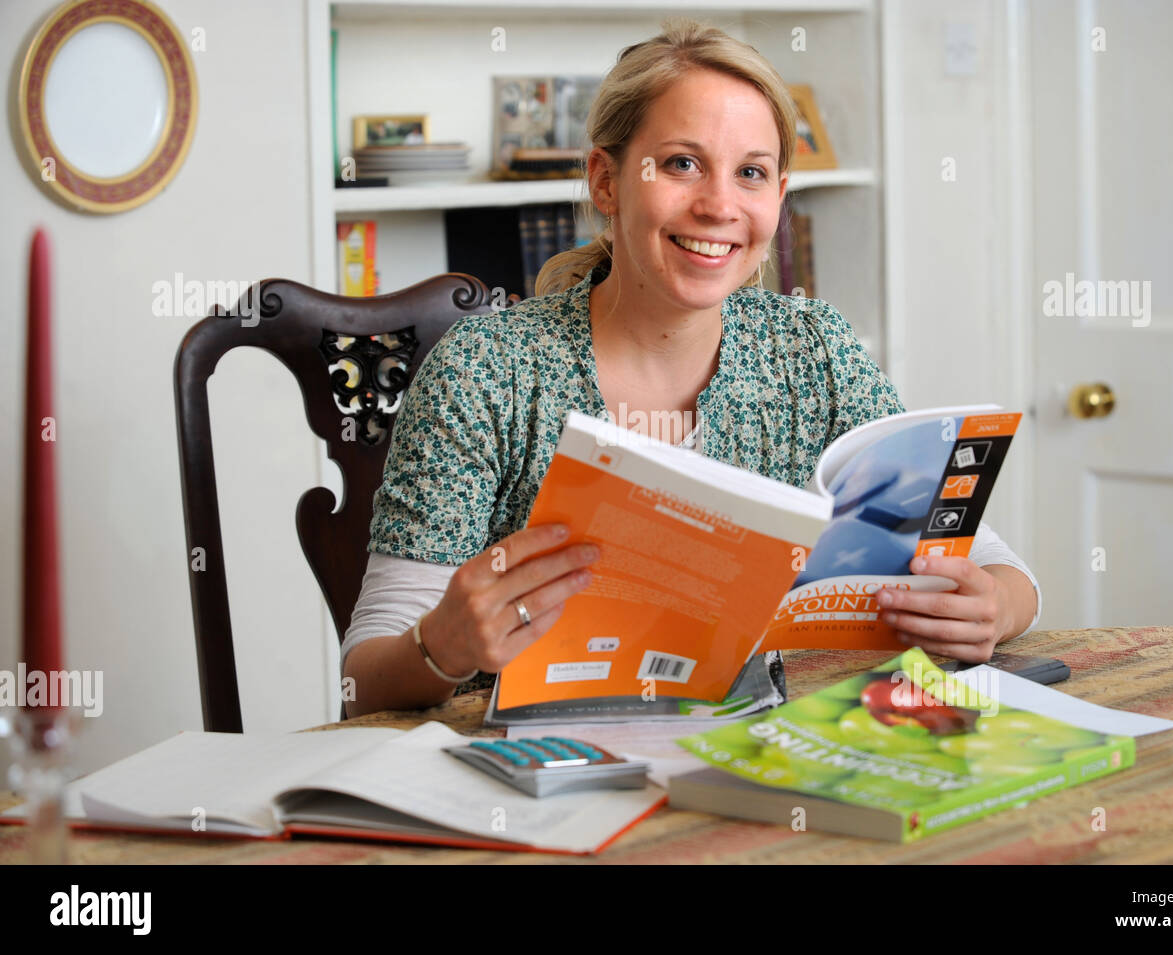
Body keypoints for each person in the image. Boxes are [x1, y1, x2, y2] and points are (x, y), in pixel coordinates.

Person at [341, 18, 1041, 719]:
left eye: (751, 173)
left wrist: (994, 606)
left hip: (754, 752)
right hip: (538, 773)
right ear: (606, 180)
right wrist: (445, 644)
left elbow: (996, 566)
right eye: (681, 163)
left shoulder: (816, 351)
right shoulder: (485, 372)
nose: (719, 206)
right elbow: (360, 686)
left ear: (778, 194)